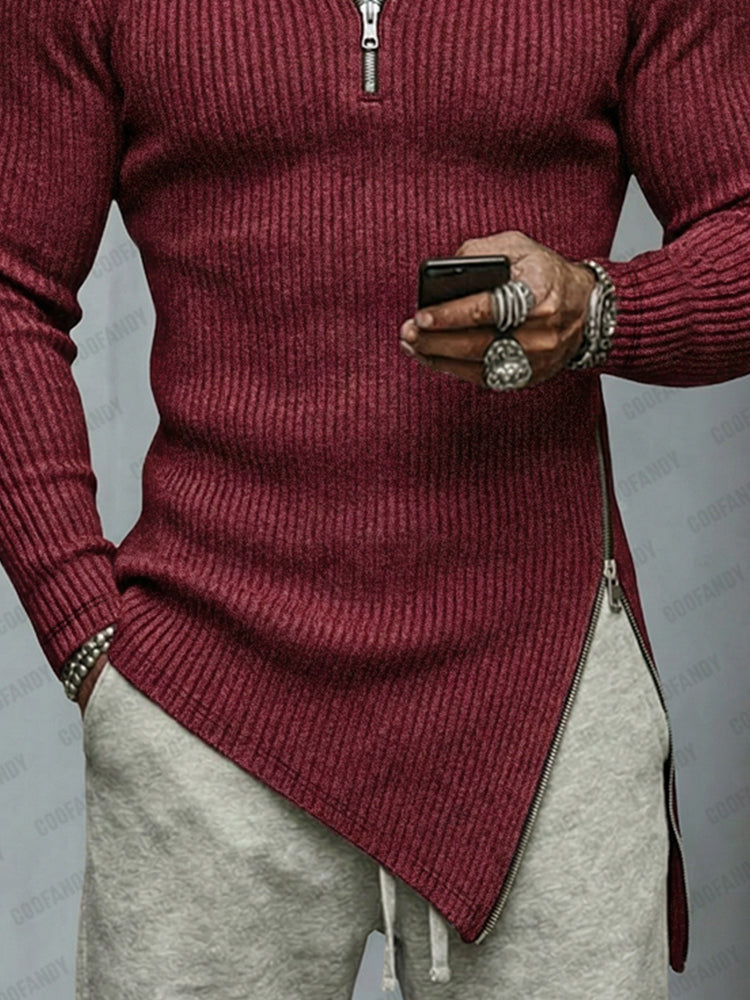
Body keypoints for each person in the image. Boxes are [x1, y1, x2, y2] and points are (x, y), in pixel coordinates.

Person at [1, 0, 748, 996]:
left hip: (546, 700)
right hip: (200, 702)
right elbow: (11, 283)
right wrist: (85, 634)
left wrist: (603, 309)